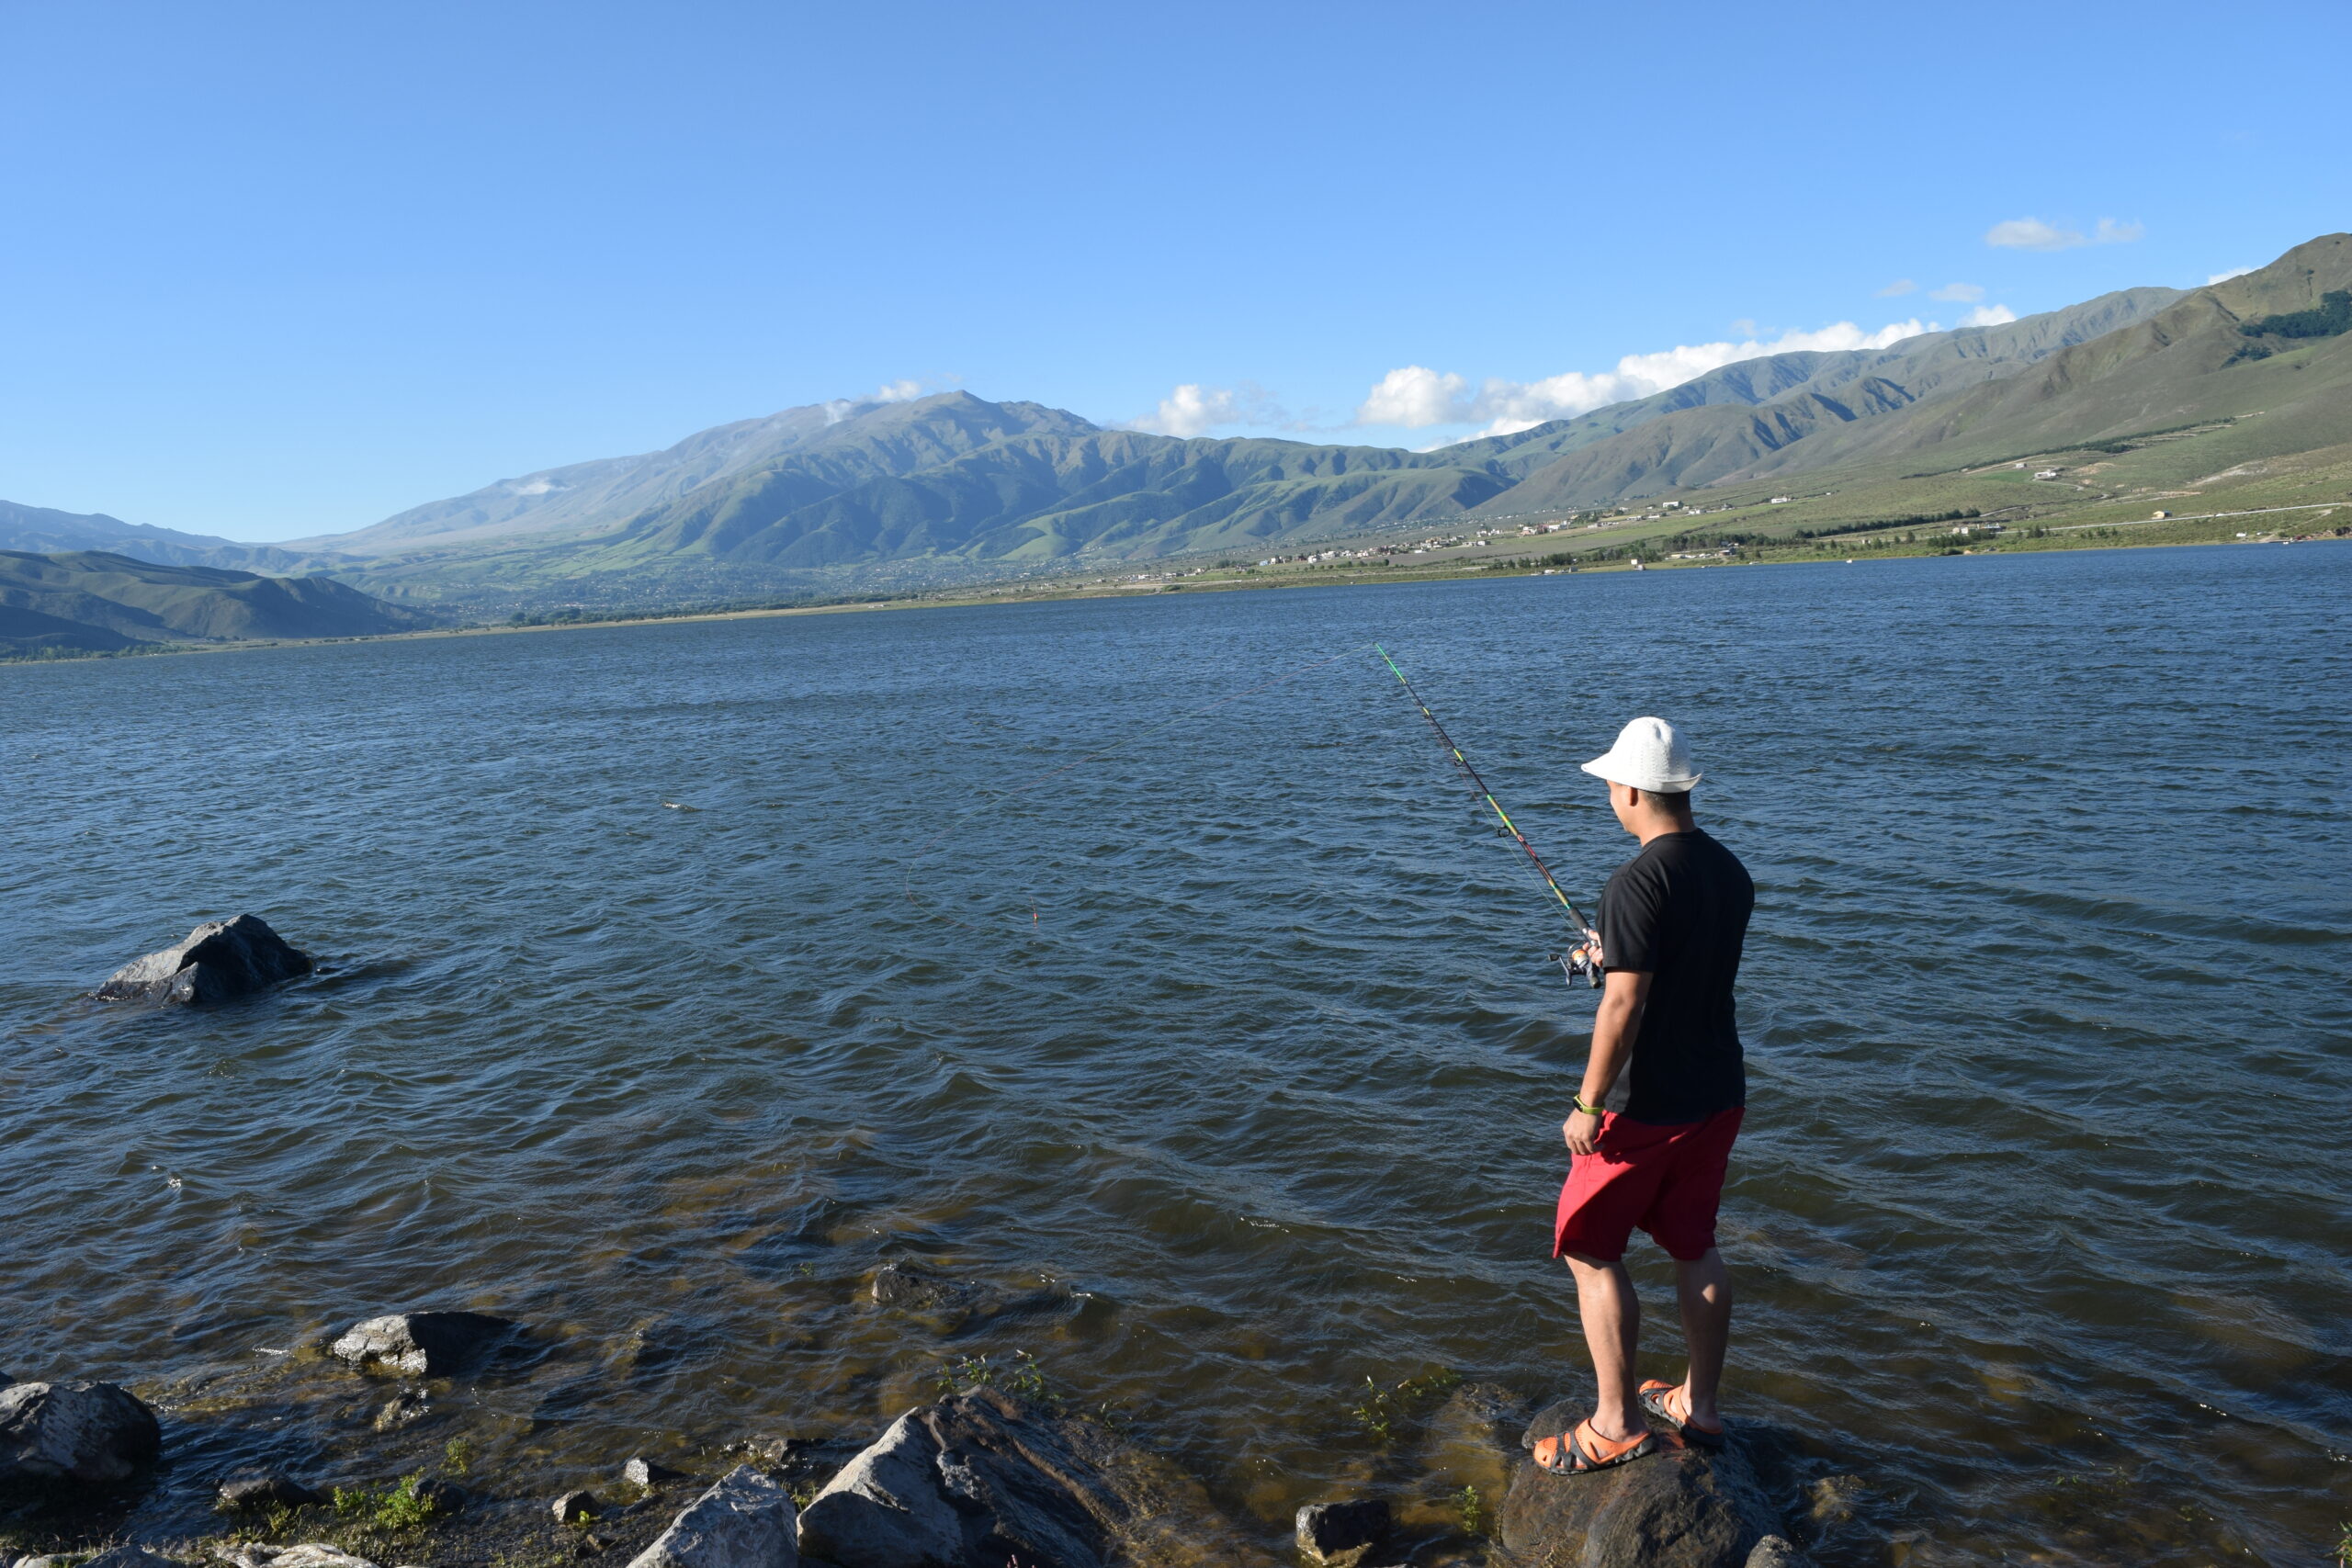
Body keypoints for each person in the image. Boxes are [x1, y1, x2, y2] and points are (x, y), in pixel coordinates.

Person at [1532, 716, 1755, 1475]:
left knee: (1589, 1247)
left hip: (1646, 1104)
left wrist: (1588, 1103)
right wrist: (1615, 950)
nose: (1609, 797)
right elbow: (1681, 960)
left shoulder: (1634, 880)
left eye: (1609, 787)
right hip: (1719, 1091)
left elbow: (1623, 1007)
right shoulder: (1729, 870)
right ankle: (1702, 1405)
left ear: (1629, 790)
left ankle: (1616, 1421)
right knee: (1695, 1242)